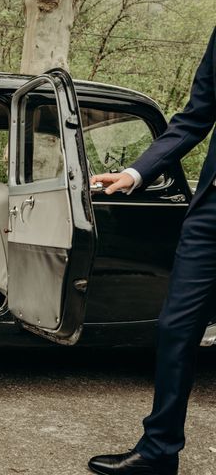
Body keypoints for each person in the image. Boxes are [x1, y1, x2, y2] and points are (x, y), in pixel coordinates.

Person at [88, 27, 216, 475]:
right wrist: (135, 172)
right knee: (175, 328)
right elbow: (196, 116)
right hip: (211, 213)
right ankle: (159, 452)